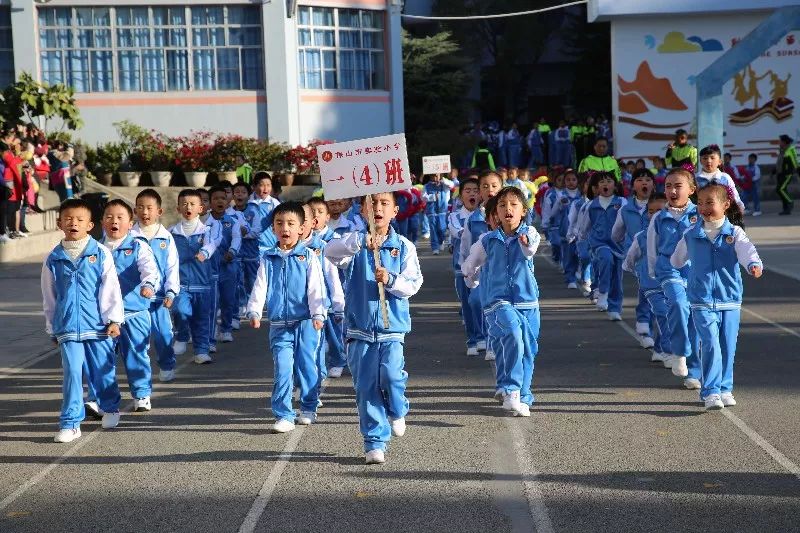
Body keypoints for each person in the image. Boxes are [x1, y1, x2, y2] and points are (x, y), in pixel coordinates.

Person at [324, 192, 422, 464]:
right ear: (363, 208)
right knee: (366, 387)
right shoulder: (352, 242)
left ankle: (397, 407)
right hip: (359, 329)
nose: (377, 208)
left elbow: (412, 284)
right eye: (372, 202)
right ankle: (374, 442)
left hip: (391, 329)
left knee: (390, 377)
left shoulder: (403, 246)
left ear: (394, 211)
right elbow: (329, 253)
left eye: (384, 203)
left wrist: (390, 279)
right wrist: (358, 242)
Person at [670, 183, 763, 410]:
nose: (704, 208)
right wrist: (684, 272)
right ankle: (710, 392)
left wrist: (753, 264)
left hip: (729, 299)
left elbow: (747, 250)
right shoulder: (691, 234)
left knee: (727, 344)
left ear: (725, 204)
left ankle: (725, 388)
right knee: (710, 343)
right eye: (700, 203)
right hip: (701, 299)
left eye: (710, 203)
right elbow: (676, 260)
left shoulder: (734, 233)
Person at [41, 198, 123, 443]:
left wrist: (114, 319)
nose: (73, 223)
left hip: (98, 327)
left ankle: (110, 407)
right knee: (73, 372)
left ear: (90, 225)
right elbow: (49, 296)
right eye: (68, 219)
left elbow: (111, 288)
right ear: (59, 223)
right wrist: (52, 328)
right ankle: (70, 423)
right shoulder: (53, 258)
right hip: (67, 327)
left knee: (102, 371)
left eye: (79, 219)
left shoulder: (100, 254)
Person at [247, 202, 327, 433]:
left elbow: (316, 289)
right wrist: (254, 310)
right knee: (282, 369)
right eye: (280, 223)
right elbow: (260, 286)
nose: (285, 228)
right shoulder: (269, 258)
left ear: (301, 228)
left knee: (307, 366)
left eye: (291, 224)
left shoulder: (308, 257)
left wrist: (318, 314)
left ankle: (309, 406)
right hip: (279, 324)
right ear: (273, 228)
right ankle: (284, 414)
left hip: (306, 322)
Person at [462, 186, 541, 417]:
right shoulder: (487, 240)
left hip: (528, 303)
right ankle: (512, 388)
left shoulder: (531, 233)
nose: (508, 209)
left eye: (514, 205)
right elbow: (470, 263)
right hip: (498, 302)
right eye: (502, 205)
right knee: (513, 335)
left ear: (523, 211)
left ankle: (522, 395)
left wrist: (525, 242)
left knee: (527, 350)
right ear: (495, 213)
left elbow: (530, 250)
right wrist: (470, 276)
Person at [92, 200, 160, 414]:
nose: (115, 221)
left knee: (136, 355)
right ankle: (98, 399)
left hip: (134, 313)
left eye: (120, 217)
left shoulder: (138, 246)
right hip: (104, 316)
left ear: (130, 223)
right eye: (110, 217)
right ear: (102, 222)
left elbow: (150, 269)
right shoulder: (95, 249)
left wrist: (148, 285)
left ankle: (141, 394)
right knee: (101, 360)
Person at [646, 168, 702, 389]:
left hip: (696, 272)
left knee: (694, 319)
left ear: (691, 190)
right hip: (668, 270)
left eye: (678, 186)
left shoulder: (700, 213)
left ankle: (694, 371)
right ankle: (678, 351)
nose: (672, 190)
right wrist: (653, 271)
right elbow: (652, 246)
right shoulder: (660, 217)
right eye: (668, 186)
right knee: (678, 304)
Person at [131, 189, 180, 382]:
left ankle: (167, 365)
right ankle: (141, 375)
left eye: (149, 208)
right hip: (136, 297)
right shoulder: (129, 236)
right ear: (135, 211)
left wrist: (171, 291)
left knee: (162, 335)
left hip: (159, 297)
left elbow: (172, 266)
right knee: (138, 339)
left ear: (159, 211)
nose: (145, 212)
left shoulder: (166, 237)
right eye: (141, 208)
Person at [170, 189, 220, 364]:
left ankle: (201, 351)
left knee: (201, 319)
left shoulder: (207, 230)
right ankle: (182, 336)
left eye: (192, 204)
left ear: (201, 208)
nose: (188, 207)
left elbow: (213, 243)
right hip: (181, 284)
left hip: (202, 284)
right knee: (180, 310)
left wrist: (205, 252)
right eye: (184, 204)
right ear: (178, 208)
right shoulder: (172, 233)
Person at [622, 193, 671, 365]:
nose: (655, 215)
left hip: (670, 281)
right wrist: (632, 269)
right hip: (650, 283)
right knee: (662, 313)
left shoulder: (675, 233)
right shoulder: (641, 236)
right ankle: (667, 350)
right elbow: (630, 257)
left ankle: (659, 348)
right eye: (651, 211)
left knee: (668, 315)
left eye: (660, 210)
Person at [612, 168, 654, 346]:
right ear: (633, 186)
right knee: (648, 285)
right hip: (637, 256)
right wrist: (629, 246)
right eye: (640, 180)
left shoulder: (662, 206)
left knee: (658, 293)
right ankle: (645, 325)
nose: (644, 183)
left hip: (659, 255)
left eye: (648, 179)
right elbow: (616, 234)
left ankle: (651, 330)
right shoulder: (626, 208)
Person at [306, 197, 347, 378]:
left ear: (327, 217)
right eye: (311, 212)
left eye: (320, 212)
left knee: (333, 332)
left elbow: (335, 273)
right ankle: (317, 366)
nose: (315, 216)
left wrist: (339, 302)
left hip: (328, 296)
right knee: (315, 336)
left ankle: (338, 360)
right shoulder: (303, 240)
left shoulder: (333, 239)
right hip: (310, 298)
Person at [576, 172, 626, 321]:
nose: (605, 184)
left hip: (618, 244)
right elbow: (584, 226)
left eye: (609, 181)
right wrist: (582, 240)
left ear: (615, 186)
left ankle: (615, 308)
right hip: (599, 243)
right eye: (602, 182)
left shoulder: (622, 202)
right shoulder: (592, 204)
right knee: (605, 259)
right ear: (597, 188)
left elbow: (628, 221)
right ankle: (603, 293)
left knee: (617, 277)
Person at [448, 178, 484, 356]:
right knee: (467, 304)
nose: (472, 193)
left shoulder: (486, 214)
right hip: (462, 267)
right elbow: (458, 232)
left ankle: (483, 336)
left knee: (479, 301)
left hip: (483, 267)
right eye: (468, 190)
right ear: (461, 195)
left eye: (475, 190)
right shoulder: (455, 216)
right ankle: (472, 340)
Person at [208, 186, 242, 344]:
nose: (219, 201)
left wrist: (232, 252)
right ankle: (211, 331)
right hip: (209, 267)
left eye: (222, 198)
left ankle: (226, 329)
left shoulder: (233, 221)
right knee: (211, 301)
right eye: (215, 198)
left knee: (228, 299)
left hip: (228, 266)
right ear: (210, 202)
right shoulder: (204, 223)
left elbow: (237, 238)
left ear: (228, 201)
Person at [695, 145, 745, 214]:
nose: (709, 161)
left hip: (722, 214)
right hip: (702, 213)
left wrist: (739, 206)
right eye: (705, 158)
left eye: (712, 158)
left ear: (719, 161)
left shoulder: (725, 177)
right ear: (700, 161)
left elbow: (734, 194)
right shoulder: (695, 178)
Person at [554, 170, 582, 288]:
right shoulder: (561, 196)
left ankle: (580, 272)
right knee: (568, 255)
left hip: (580, 231)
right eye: (568, 180)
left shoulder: (582, 195)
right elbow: (554, 212)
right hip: (566, 230)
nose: (571, 182)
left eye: (573, 179)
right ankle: (570, 277)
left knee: (580, 254)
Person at [423, 173, 455, 255]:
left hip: (442, 211)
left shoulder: (444, 185)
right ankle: (435, 248)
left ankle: (441, 241)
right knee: (433, 229)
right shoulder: (426, 186)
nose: (435, 177)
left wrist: (443, 180)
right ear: (430, 176)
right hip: (431, 211)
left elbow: (452, 185)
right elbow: (423, 197)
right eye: (434, 176)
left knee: (442, 229)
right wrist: (433, 197)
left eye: (437, 175)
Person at [541, 172, 566, 264]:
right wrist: (545, 223)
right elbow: (546, 209)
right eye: (559, 180)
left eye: (564, 180)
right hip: (554, 225)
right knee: (556, 243)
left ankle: (565, 263)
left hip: (566, 224)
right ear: (555, 181)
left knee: (565, 245)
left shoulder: (568, 193)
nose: (562, 182)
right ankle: (556, 256)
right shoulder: (550, 193)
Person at [775, 134, 797, 215]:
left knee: (781, 189)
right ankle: (785, 209)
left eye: (780, 141)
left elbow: (795, 161)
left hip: (787, 174)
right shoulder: (781, 150)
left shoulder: (791, 149)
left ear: (784, 142)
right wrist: (774, 171)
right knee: (780, 190)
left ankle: (790, 202)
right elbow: (779, 162)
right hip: (780, 174)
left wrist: (797, 169)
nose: (779, 142)